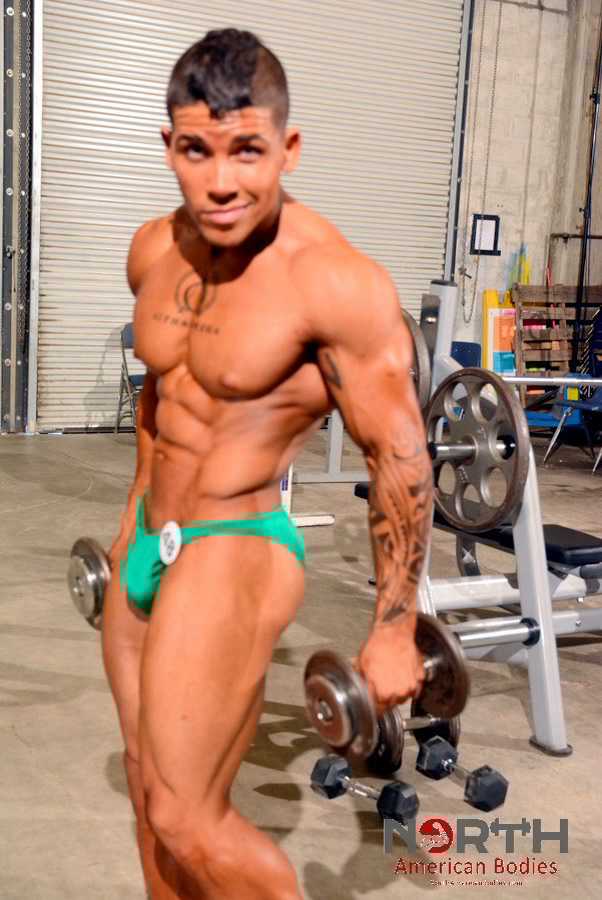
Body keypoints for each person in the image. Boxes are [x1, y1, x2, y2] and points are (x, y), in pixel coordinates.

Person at [102, 27, 432, 900]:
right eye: (196, 151)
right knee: (146, 786)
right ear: (168, 145)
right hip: (150, 537)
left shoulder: (332, 283)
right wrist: (134, 513)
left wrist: (395, 625)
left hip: (235, 542)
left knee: (187, 816)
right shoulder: (152, 251)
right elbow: (159, 398)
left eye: (246, 151)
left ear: (288, 147)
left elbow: (400, 456)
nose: (220, 182)